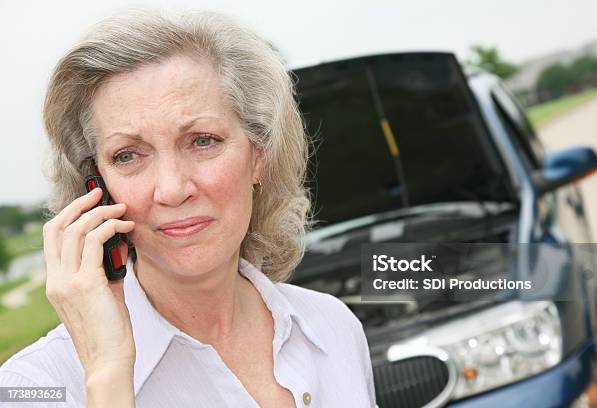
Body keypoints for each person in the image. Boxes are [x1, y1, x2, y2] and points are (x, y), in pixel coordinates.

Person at [0, 10, 376, 408]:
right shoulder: (32, 385)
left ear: (258, 155)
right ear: (95, 186)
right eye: (128, 155)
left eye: (202, 141)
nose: (173, 189)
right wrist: (107, 373)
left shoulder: (333, 327)